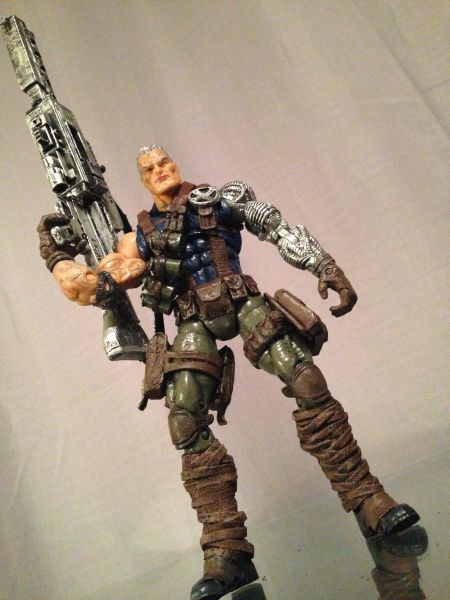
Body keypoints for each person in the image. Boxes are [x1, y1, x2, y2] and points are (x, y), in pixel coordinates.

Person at [37, 145, 419, 600]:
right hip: (192, 319)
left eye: (164, 162)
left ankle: (367, 499)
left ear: (175, 164)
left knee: (306, 378)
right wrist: (56, 254)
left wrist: (324, 266)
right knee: (183, 420)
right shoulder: (138, 238)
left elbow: (276, 227)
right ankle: (226, 550)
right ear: (141, 179)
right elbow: (92, 288)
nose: (160, 170)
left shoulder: (220, 200)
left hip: (241, 301)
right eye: (150, 168)